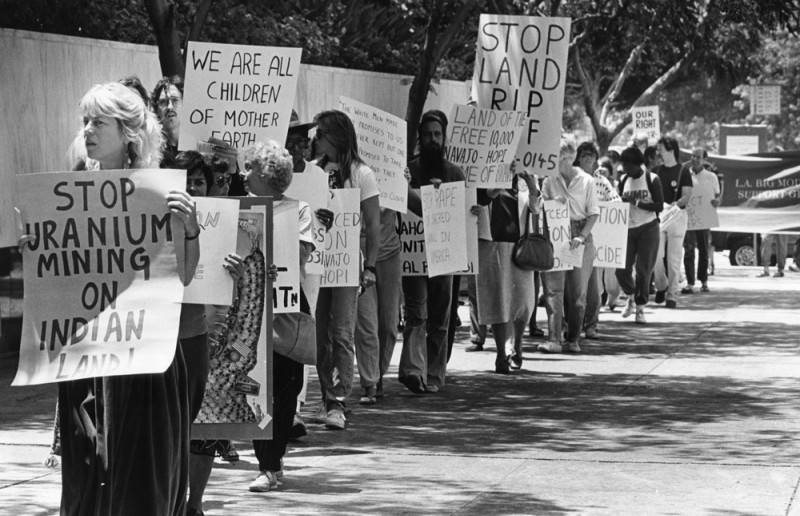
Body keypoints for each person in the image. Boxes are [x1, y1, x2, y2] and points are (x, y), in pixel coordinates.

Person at [52, 81, 199, 515]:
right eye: (85, 122)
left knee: (138, 483)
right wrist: (38, 248)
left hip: (144, 365)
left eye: (99, 122)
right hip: (88, 363)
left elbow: (185, 275)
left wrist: (189, 228)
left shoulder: (161, 193)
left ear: (129, 134)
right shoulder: (71, 194)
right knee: (88, 478)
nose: (88, 131)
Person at [168, 150, 244, 516]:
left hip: (199, 335)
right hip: (160, 339)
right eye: (184, 182)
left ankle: (193, 505)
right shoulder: (154, 221)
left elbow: (256, 278)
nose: (191, 188)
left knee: (203, 425)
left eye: (198, 182)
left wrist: (236, 271)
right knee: (168, 430)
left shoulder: (222, 222)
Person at [242, 140, 315, 491]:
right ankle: (266, 464)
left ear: (266, 174)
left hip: (285, 306)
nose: (243, 175)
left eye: (250, 169)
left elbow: (301, 252)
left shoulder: (299, 211)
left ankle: (275, 456)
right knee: (257, 385)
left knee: (287, 385)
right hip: (252, 305)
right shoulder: (239, 209)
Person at [311, 110, 380, 429]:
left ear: (336, 136)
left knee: (342, 333)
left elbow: (373, 224)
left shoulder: (362, 174)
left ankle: (338, 399)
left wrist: (371, 266)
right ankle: (327, 395)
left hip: (347, 267)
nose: (315, 139)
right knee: (319, 334)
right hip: (316, 266)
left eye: (320, 133)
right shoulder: (312, 172)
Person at [399, 110, 465, 393]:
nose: (432, 139)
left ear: (444, 137)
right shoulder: (409, 171)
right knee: (417, 312)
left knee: (440, 316)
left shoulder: (455, 172)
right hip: (414, 256)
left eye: (437, 134)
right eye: (427, 135)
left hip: (445, 256)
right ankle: (414, 371)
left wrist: (471, 209)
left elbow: (464, 212)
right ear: (420, 138)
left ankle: (435, 374)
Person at [538, 135, 599, 353]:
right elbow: (540, 209)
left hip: (579, 236)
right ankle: (554, 339)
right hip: (556, 234)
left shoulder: (587, 181)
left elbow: (593, 214)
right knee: (553, 290)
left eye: (557, 157)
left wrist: (581, 236)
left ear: (567, 158)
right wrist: (552, 204)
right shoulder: (548, 180)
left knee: (577, 294)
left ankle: (573, 339)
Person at [475, 166, 540, 373]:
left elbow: (536, 208)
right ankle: (501, 353)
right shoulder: (486, 172)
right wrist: (497, 184)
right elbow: (479, 200)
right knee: (498, 300)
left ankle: (517, 344)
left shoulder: (526, 177)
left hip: (520, 249)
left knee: (523, 300)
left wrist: (531, 186)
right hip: (491, 244)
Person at [575, 141, 620, 339]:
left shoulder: (600, 181)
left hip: (596, 237)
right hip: (576, 235)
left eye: (591, 155)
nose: (587, 158)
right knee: (577, 285)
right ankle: (573, 325)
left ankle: (591, 325)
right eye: (584, 154)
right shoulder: (572, 179)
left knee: (594, 287)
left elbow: (615, 202)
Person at [615, 147, 664, 324]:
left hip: (648, 228)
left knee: (643, 270)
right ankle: (631, 295)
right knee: (621, 269)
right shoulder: (623, 180)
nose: (625, 169)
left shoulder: (652, 179)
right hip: (628, 228)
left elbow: (659, 206)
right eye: (623, 165)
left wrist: (637, 202)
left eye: (628, 165)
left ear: (638, 164)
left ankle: (640, 307)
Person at [653, 136, 692, 308]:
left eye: (661, 148)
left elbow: (687, 195)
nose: (658, 152)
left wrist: (675, 205)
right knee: (656, 255)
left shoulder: (683, 171)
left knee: (674, 258)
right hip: (658, 217)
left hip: (676, 217)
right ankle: (661, 285)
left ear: (670, 149)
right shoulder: (656, 171)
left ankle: (672, 294)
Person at [681, 148, 720, 293]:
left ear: (704, 159)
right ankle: (690, 283)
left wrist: (717, 201)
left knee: (703, 250)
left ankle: (703, 281)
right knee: (689, 250)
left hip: (704, 218)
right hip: (689, 218)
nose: (695, 159)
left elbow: (717, 196)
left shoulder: (711, 177)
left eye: (698, 157)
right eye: (693, 156)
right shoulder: (684, 175)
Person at [151, 75, 184, 164]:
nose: (169, 107)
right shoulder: (151, 153)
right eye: (163, 102)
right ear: (156, 110)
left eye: (174, 100)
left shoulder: (198, 148)